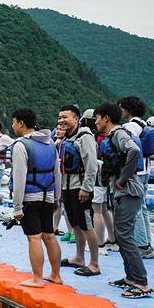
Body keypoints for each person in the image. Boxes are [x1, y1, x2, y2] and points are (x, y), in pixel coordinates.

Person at [95, 103, 153, 299]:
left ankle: (141, 283)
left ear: (106, 118)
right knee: (121, 235)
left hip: (128, 191)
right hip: (122, 192)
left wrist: (122, 179)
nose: (96, 122)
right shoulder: (115, 135)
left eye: (98, 118)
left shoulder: (118, 133)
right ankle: (130, 277)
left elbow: (134, 151)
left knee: (125, 236)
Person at [11, 108, 63, 288]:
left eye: (13, 122)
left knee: (34, 238)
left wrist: (17, 207)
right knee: (49, 236)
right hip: (48, 196)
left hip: (30, 198)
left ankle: (37, 279)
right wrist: (56, 198)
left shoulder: (21, 145)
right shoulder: (50, 143)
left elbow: (19, 178)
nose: (13, 126)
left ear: (21, 123)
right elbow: (57, 173)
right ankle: (56, 275)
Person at [56, 105, 101, 277]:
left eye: (65, 117)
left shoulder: (85, 136)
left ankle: (94, 264)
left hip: (80, 187)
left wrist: (86, 188)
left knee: (86, 225)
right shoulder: (66, 138)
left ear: (76, 119)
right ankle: (79, 258)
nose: (61, 120)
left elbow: (91, 164)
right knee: (75, 224)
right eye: (60, 117)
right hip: (67, 186)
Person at [118, 96, 154, 259]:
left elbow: (130, 150)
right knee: (143, 207)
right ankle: (147, 243)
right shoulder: (144, 124)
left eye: (121, 108)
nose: (120, 111)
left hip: (136, 173)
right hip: (147, 170)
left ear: (128, 109)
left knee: (136, 210)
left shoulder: (129, 126)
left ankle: (141, 245)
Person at [82, 108, 117, 255]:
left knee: (96, 210)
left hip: (97, 174)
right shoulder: (108, 135)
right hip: (107, 174)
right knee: (104, 209)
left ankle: (99, 243)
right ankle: (113, 240)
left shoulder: (92, 136)